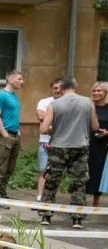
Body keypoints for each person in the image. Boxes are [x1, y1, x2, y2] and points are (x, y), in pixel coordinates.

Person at [39, 76, 99, 228]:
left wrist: (57, 128)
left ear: (62, 88)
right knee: (79, 183)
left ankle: (46, 215)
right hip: (80, 146)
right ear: (75, 85)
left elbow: (44, 129)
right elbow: (94, 126)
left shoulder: (54, 104)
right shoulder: (87, 102)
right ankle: (77, 218)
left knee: (52, 181)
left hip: (59, 147)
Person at [0, 69, 24, 204]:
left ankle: (2, 194)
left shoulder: (14, 96)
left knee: (9, 168)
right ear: (10, 79)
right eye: (19, 79)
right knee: (0, 168)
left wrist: (18, 131)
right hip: (4, 136)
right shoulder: (1, 96)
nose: (22, 82)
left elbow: (13, 116)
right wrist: (4, 134)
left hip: (14, 135)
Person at [36, 79, 64, 200]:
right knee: (43, 170)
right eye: (55, 88)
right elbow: (40, 116)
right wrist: (60, 122)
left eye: (59, 88)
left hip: (61, 143)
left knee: (56, 173)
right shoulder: (44, 101)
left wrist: (49, 121)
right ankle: (39, 196)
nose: (57, 90)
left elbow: (46, 119)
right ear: (51, 89)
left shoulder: (67, 102)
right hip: (45, 141)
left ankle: (51, 197)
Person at [85, 81, 108, 208]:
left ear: (105, 93)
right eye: (94, 90)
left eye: (99, 90)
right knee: (82, 171)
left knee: (98, 172)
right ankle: (79, 200)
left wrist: (107, 133)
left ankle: (96, 202)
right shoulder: (87, 106)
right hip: (85, 143)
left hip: (102, 145)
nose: (96, 93)